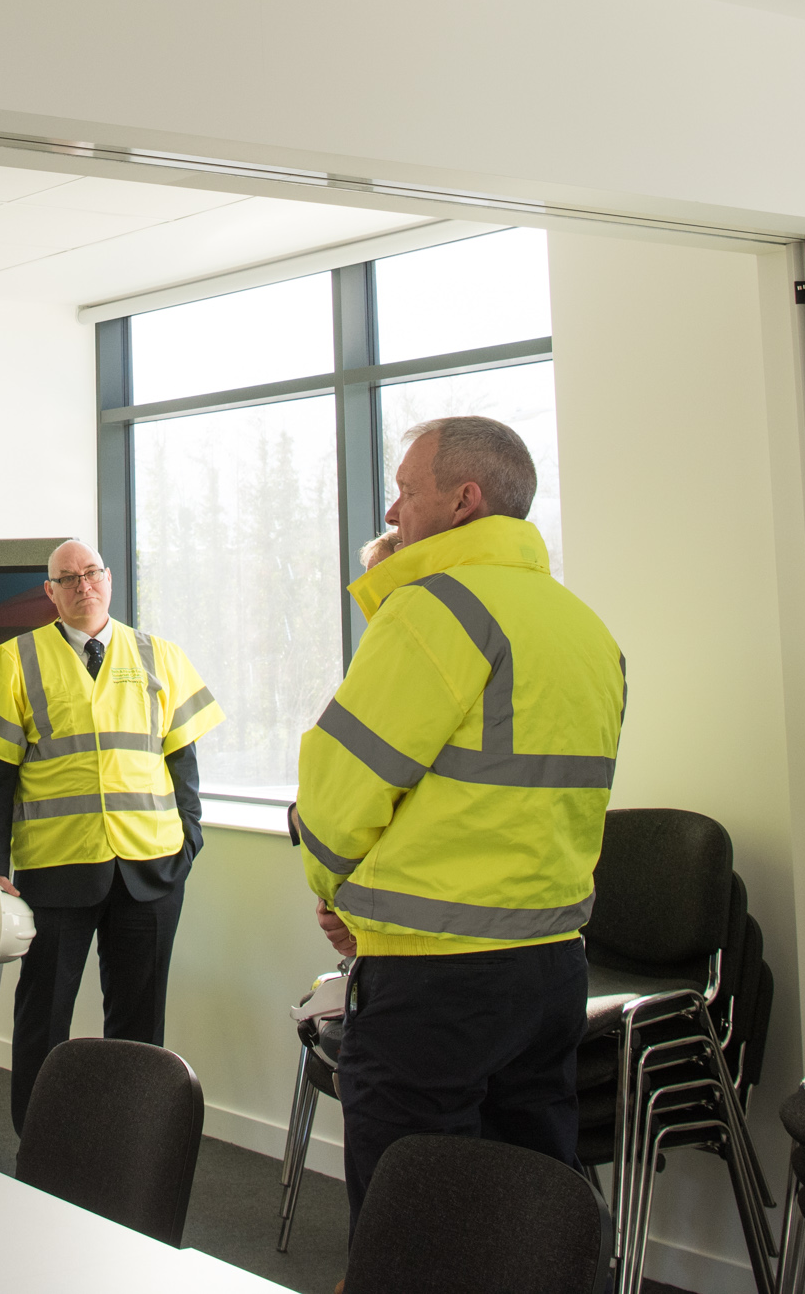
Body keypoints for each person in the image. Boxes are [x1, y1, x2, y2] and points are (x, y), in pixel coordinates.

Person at [295, 416, 621, 1224]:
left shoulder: (432, 610)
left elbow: (338, 794)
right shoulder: (585, 627)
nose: (394, 512)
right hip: (551, 971)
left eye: (407, 490)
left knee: (417, 1222)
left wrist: (342, 897)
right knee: (523, 1208)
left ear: (464, 499)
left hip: (436, 981)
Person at [0, 537, 224, 1132]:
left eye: (92, 573)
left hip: (151, 870)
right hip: (57, 871)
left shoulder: (159, 656)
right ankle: (39, 1135)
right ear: (49, 593)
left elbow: (184, 763)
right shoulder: (16, 659)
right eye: (68, 578)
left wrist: (189, 840)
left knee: (138, 1020)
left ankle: (128, 1141)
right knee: (43, 1014)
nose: (84, 585)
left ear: (109, 579)